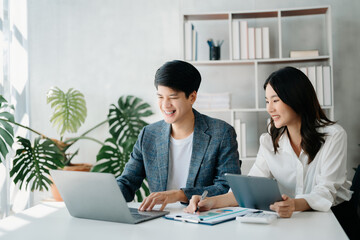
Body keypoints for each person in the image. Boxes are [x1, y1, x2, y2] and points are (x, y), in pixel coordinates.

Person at [185, 66, 352, 218]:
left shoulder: (333, 136)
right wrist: (208, 202)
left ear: (296, 98)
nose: (269, 108)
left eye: (275, 100)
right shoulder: (269, 141)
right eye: (267, 101)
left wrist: (293, 205)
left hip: (334, 215)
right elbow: (249, 189)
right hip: (294, 217)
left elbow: (325, 192)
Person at [116, 60, 241, 211]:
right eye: (160, 97)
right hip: (157, 221)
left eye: (173, 98)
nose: (165, 105)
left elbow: (227, 188)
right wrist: (101, 195)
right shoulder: (149, 135)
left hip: (201, 221)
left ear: (192, 97)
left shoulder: (221, 133)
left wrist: (180, 194)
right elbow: (128, 182)